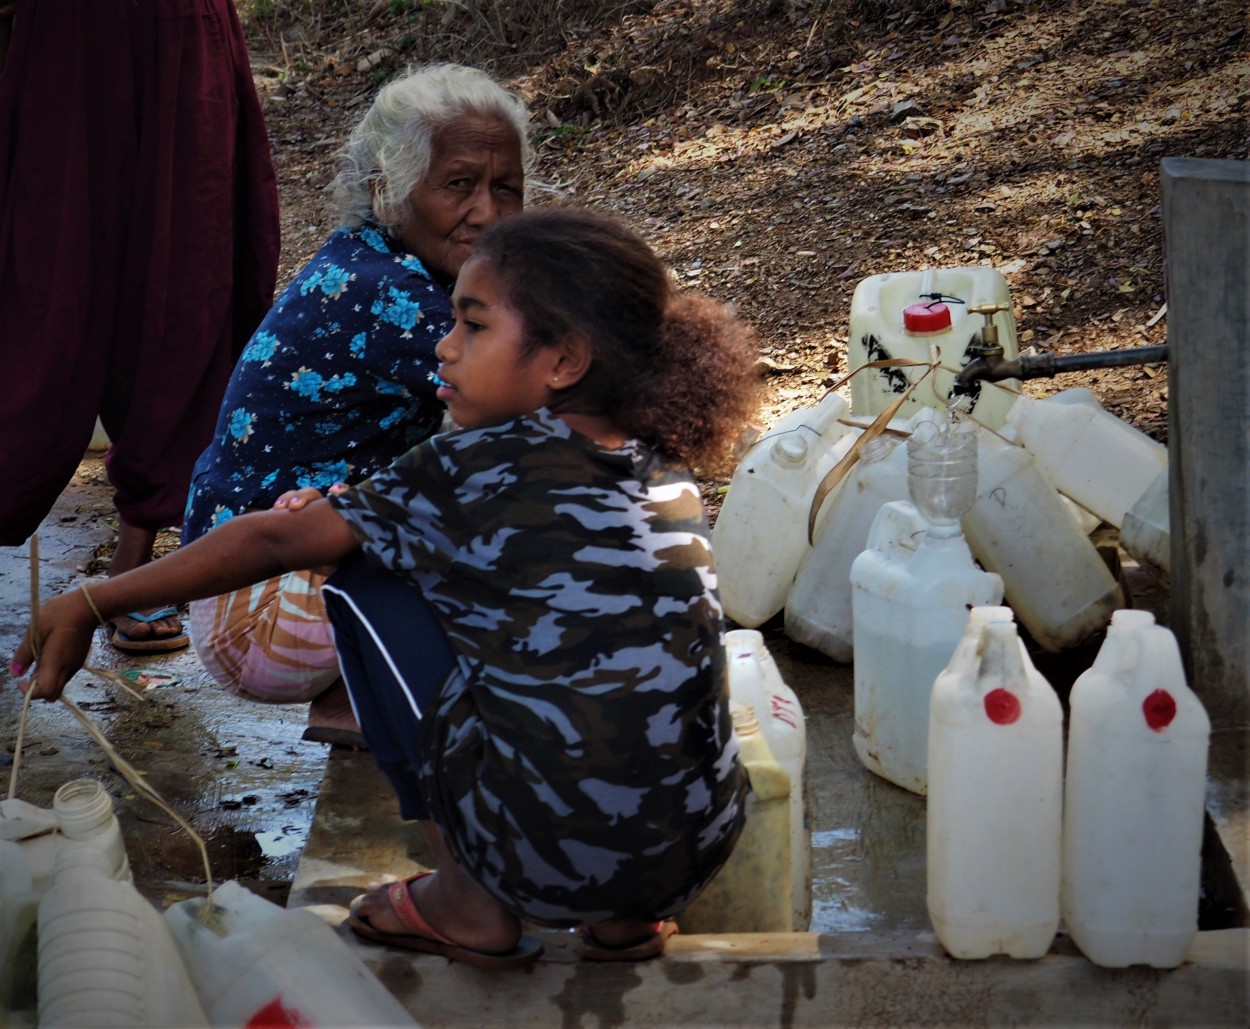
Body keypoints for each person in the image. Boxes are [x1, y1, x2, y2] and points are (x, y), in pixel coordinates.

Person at [14, 205, 762, 967]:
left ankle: (469, 901)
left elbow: (274, 539)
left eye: (472, 326)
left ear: (564, 360)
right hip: (696, 848)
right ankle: (623, 924)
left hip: (543, 866)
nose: (444, 347)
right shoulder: (664, 471)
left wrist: (90, 600)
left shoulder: (471, 467)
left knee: (358, 574)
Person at [179, 63, 531, 745]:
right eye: (459, 185)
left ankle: (359, 690)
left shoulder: (383, 265)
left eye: (505, 188)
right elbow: (541, 404)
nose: (486, 212)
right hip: (257, 608)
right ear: (387, 190)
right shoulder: (388, 296)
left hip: (267, 586)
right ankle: (367, 692)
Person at [0, 0, 280, 653]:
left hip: (180, 27)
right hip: (58, 36)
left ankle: (140, 555)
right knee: (39, 273)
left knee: (183, 276)